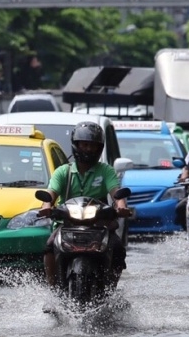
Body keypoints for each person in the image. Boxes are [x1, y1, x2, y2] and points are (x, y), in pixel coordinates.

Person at [38, 122, 131, 289]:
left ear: (99, 148)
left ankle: (110, 291)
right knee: (50, 246)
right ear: (76, 145)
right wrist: (46, 205)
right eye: (85, 145)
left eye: (93, 146)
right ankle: (52, 291)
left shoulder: (106, 171)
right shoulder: (63, 171)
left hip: (99, 224)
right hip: (66, 224)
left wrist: (121, 206)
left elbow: (116, 192)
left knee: (117, 248)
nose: (88, 149)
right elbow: (51, 192)